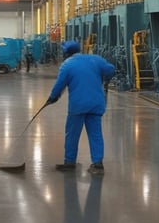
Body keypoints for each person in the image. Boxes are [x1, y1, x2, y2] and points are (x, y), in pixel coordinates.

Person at [46, 40, 115, 174]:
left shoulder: (67, 65)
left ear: (66, 54)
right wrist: (105, 79)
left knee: (72, 134)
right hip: (96, 104)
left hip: (78, 105)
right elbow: (111, 69)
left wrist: (52, 97)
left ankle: (70, 162)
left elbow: (59, 85)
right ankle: (98, 164)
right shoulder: (96, 60)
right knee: (95, 134)